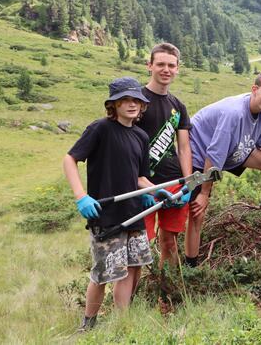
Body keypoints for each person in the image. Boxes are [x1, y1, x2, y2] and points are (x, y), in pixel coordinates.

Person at [63, 77, 164, 330]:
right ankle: (88, 324)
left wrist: (160, 192)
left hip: (134, 214)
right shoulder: (100, 129)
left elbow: (140, 177)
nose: (131, 104)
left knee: (132, 268)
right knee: (104, 273)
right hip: (106, 215)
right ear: (114, 104)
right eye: (125, 100)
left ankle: (122, 322)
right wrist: (81, 196)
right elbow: (69, 159)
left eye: (136, 100)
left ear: (142, 105)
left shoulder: (141, 136)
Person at [185, 71, 261, 267]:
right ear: (254, 90)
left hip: (236, 147)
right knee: (198, 212)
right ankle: (191, 265)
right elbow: (213, 156)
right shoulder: (234, 113)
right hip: (201, 153)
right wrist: (204, 193)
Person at [137, 43, 192, 268]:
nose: (166, 69)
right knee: (140, 243)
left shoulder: (178, 106)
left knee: (169, 242)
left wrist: (188, 183)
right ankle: (131, 297)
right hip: (141, 185)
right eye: (160, 64)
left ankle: (166, 292)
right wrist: (136, 183)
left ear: (178, 68)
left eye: (171, 65)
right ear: (149, 65)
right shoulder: (136, 100)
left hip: (173, 182)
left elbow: (184, 148)